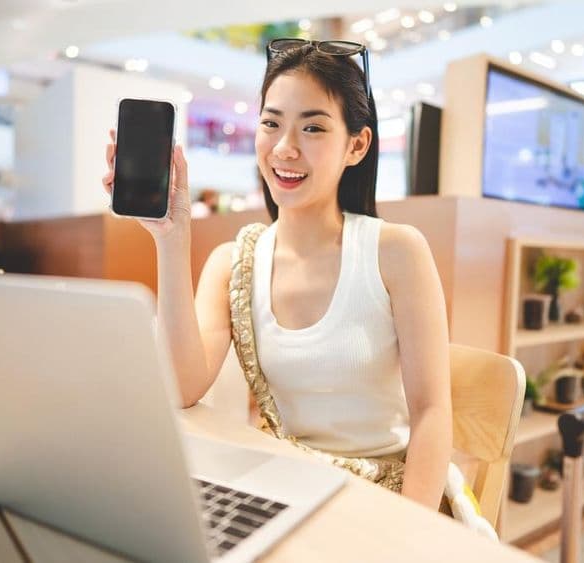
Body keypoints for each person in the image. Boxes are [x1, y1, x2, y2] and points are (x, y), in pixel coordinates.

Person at [101, 39, 452, 511]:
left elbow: (432, 412)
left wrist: (409, 535)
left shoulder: (397, 251)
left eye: (312, 127)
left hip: (384, 498)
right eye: (271, 123)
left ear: (357, 144)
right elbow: (181, 389)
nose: (285, 149)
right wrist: (170, 235)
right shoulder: (233, 262)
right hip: (284, 492)